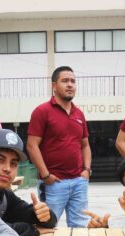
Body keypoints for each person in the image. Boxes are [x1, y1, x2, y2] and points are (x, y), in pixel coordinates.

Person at [27, 66, 92, 227]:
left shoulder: (79, 114)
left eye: (73, 81)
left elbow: (85, 145)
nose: (70, 85)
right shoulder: (42, 111)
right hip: (54, 183)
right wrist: (45, 175)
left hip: (79, 181)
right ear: (54, 86)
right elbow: (32, 145)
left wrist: (87, 170)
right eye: (65, 81)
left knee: (81, 226)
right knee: (47, 226)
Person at [0, 128, 58, 236]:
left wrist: (44, 215)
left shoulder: (4, 195)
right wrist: (30, 229)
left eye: (13, 163)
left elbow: (32, 215)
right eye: (0, 160)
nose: (7, 169)